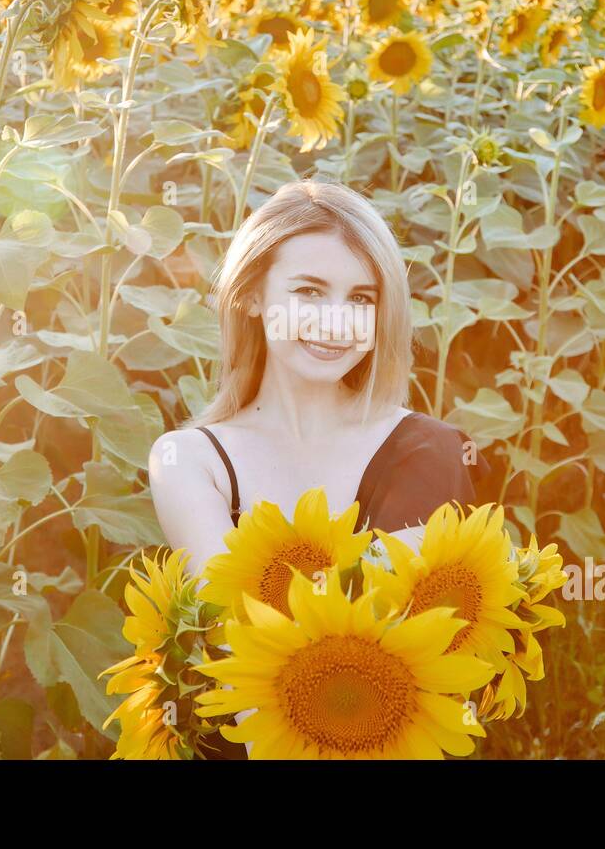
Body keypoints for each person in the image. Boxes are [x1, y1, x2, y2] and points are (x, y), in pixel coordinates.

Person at [146, 180, 491, 758]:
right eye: (309, 292)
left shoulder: (432, 450)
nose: (337, 323)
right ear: (251, 295)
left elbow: (430, 660)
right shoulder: (190, 461)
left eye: (361, 298)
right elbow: (238, 647)